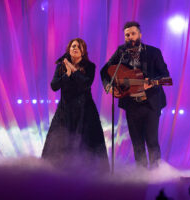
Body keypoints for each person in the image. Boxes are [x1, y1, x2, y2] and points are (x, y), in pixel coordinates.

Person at [100, 21, 170, 168]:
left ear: (140, 35)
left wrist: (151, 82)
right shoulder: (121, 52)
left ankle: (156, 175)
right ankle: (142, 175)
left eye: (133, 33)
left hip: (151, 103)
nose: (130, 37)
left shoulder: (153, 52)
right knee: (137, 143)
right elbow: (104, 71)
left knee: (151, 141)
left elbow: (165, 76)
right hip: (131, 105)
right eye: (127, 35)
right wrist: (110, 86)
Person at [42, 38, 110, 173]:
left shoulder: (90, 67)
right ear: (69, 49)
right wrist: (67, 74)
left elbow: (86, 84)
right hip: (65, 109)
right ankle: (59, 171)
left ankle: (87, 172)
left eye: (79, 47)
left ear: (83, 51)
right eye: (73, 46)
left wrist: (73, 69)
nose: (75, 49)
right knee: (60, 139)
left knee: (87, 140)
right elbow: (54, 86)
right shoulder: (61, 66)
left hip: (85, 109)